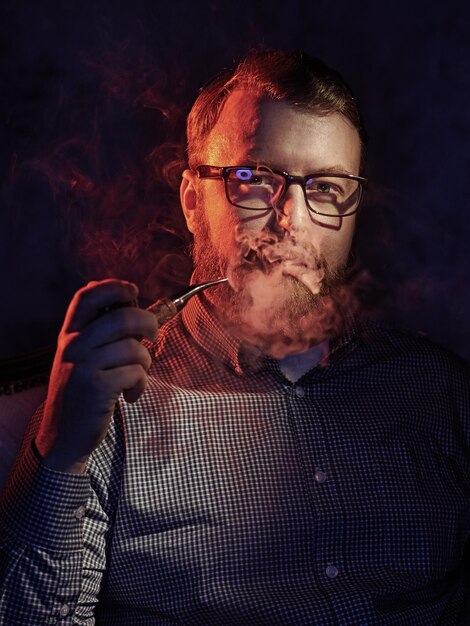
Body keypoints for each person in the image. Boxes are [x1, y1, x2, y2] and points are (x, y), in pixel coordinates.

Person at [1, 49, 469, 625]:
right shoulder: (111, 406)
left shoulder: (439, 389)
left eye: (325, 188)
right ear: (193, 201)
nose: (291, 219)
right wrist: (61, 452)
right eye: (254, 178)